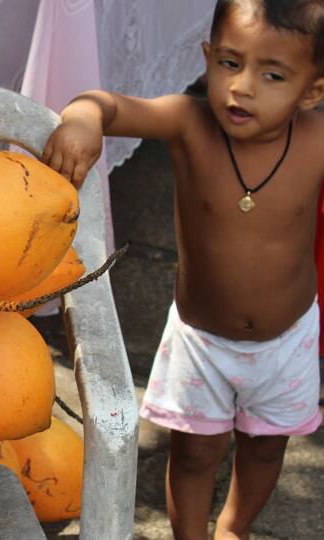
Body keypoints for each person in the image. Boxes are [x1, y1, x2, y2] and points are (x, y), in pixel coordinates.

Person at [42, 1, 324, 538]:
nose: (241, 87)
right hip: (202, 344)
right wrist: (83, 117)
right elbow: (108, 104)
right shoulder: (189, 123)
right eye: (229, 63)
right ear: (206, 57)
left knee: (267, 450)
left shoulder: (316, 142)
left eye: (272, 75)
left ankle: (234, 528)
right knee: (194, 453)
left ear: (312, 90)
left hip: (287, 342)